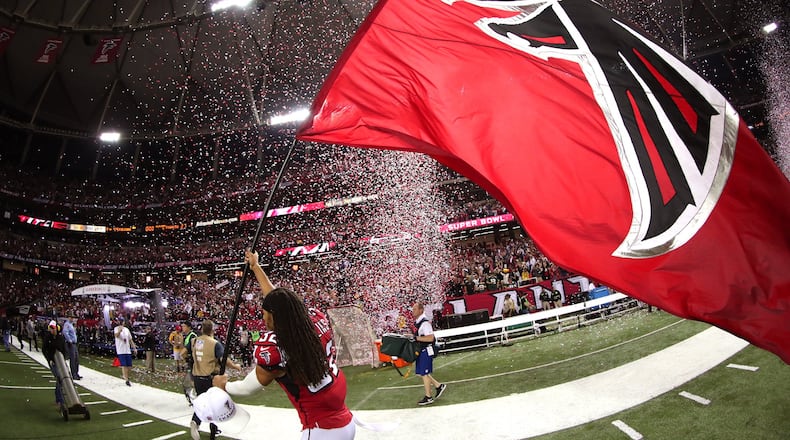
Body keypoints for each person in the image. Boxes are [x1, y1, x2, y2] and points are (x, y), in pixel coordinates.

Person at [213, 249, 355, 439]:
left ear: (273, 316)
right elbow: (280, 302)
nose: (263, 318)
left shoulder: (277, 348)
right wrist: (256, 267)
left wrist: (225, 386)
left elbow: (250, 387)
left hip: (320, 430)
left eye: (265, 314)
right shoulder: (314, 321)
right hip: (345, 421)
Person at [188, 319, 241, 440]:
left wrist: (195, 363)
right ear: (212, 329)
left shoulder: (194, 341)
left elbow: (184, 353)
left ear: (201, 329)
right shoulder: (214, 343)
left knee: (202, 401)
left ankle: (197, 422)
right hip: (209, 377)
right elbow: (223, 360)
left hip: (197, 377)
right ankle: (211, 432)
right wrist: (235, 366)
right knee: (215, 405)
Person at [412, 301, 446, 406]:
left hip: (426, 350)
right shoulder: (419, 323)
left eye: (415, 309)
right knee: (422, 373)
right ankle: (438, 386)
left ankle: (428, 397)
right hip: (422, 351)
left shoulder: (425, 323)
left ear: (421, 310)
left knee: (424, 374)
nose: (413, 311)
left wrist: (416, 338)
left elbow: (430, 337)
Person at [42, 320, 67, 406]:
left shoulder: (60, 338)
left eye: (53, 328)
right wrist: (49, 359)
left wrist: (64, 358)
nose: (52, 330)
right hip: (52, 361)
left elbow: (63, 349)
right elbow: (44, 350)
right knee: (59, 377)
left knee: (62, 379)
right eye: (50, 329)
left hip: (60, 361)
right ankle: (60, 400)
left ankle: (58, 397)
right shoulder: (47, 337)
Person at [113, 316, 136, 386]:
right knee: (124, 365)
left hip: (127, 349)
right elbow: (116, 335)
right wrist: (120, 330)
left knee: (129, 365)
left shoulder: (126, 330)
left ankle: (126, 376)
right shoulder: (116, 329)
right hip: (121, 350)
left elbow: (130, 339)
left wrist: (134, 347)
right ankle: (126, 379)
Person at [182, 321, 198, 405]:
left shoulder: (192, 336)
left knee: (191, 382)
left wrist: (185, 359)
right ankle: (194, 399)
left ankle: (195, 400)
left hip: (193, 362)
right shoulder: (187, 336)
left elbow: (185, 351)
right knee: (190, 382)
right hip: (191, 362)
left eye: (184, 326)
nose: (182, 328)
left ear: (188, 327)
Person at [62, 314, 82, 380]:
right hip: (71, 344)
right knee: (73, 359)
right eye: (71, 317)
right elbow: (65, 332)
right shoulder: (67, 324)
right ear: (69, 317)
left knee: (76, 359)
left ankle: (76, 373)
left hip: (74, 343)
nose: (72, 319)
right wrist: (69, 340)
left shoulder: (71, 325)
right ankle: (74, 374)